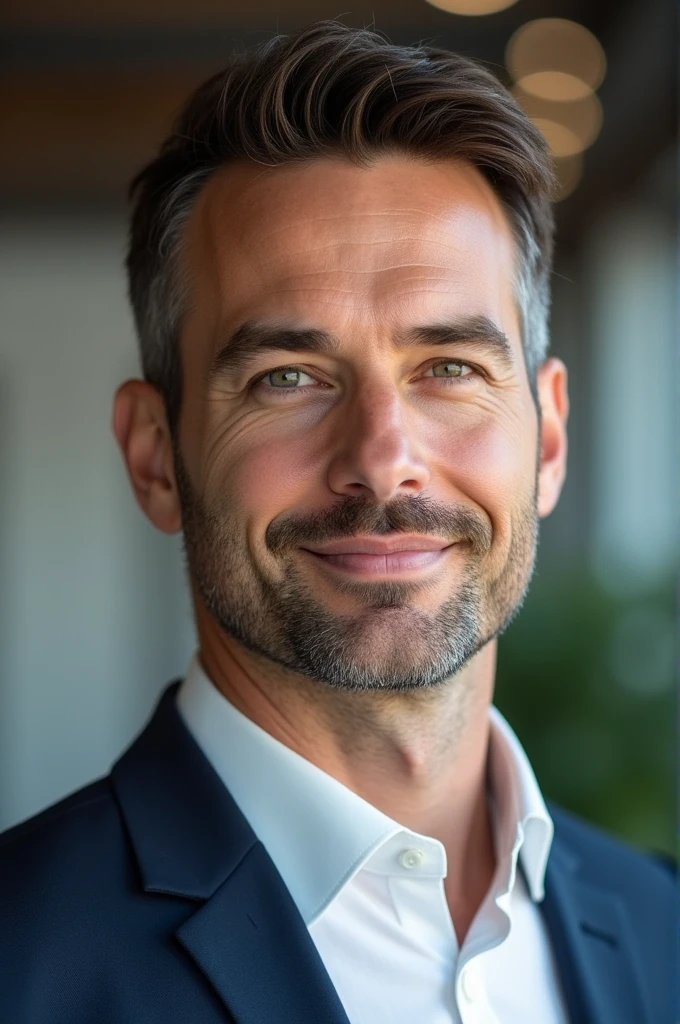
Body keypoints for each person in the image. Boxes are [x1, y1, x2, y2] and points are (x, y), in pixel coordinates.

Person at [0, 20, 676, 1024]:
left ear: (545, 440)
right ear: (155, 457)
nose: (380, 457)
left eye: (447, 367)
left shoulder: (661, 926)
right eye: (287, 377)